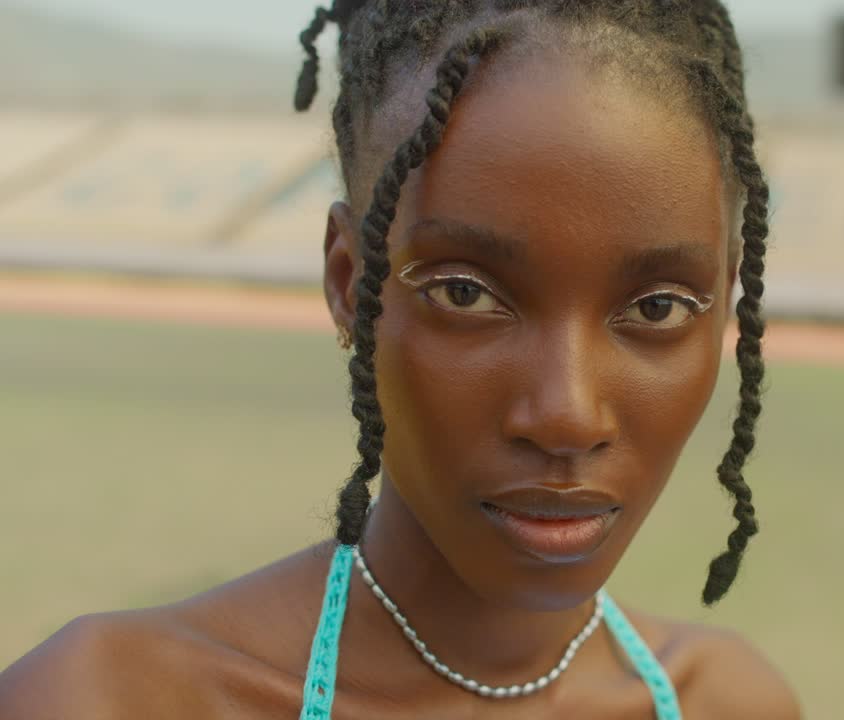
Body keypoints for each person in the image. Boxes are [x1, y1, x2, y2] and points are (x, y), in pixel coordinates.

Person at [0, 1, 800, 717]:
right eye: (464, 293)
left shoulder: (731, 703)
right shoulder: (98, 702)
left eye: (659, 307)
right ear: (350, 282)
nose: (566, 416)